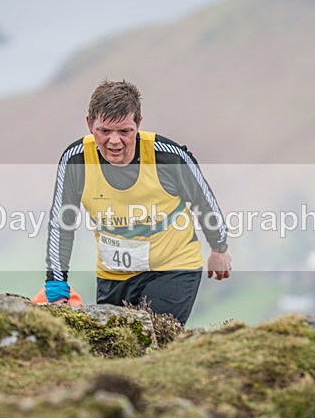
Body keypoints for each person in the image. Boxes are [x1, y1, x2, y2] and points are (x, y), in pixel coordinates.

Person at [43, 79, 231, 324]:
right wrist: (56, 286)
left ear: (138, 124)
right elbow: (61, 224)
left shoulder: (168, 157)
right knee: (116, 349)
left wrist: (218, 247)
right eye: (104, 131)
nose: (114, 141)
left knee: (153, 338)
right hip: (113, 275)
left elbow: (203, 200)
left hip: (172, 266)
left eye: (124, 131)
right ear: (90, 125)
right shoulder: (76, 160)